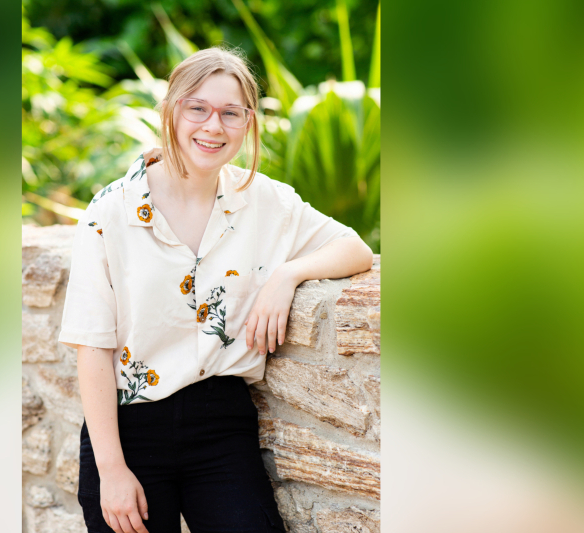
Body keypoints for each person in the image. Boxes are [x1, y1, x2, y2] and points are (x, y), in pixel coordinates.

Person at [58, 46, 374, 533]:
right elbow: (93, 344)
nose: (213, 127)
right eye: (198, 108)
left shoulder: (263, 201)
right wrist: (112, 470)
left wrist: (285, 277)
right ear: (171, 110)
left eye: (231, 113)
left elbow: (352, 248)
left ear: (248, 122)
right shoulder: (111, 212)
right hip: (130, 428)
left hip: (222, 426)